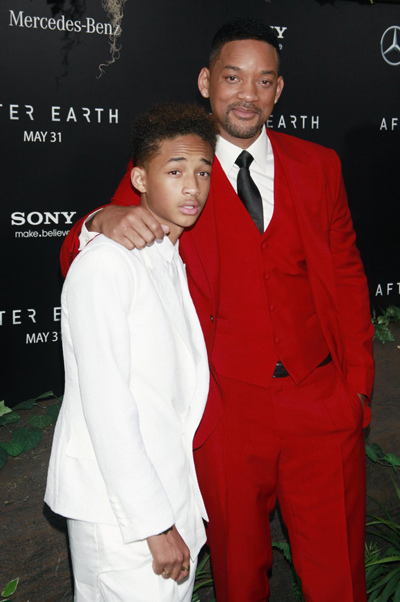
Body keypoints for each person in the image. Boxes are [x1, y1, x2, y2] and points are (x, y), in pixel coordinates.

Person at [60, 18, 375, 602]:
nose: (246, 95)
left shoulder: (319, 165)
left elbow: (350, 277)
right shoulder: (175, 163)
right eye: (233, 78)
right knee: (237, 576)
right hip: (226, 410)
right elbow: (82, 252)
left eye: (263, 81)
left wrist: (356, 388)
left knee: (339, 577)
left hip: (320, 401)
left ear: (278, 91)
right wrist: (96, 220)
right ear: (207, 82)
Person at [45, 102, 217, 602]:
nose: (192, 187)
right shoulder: (106, 267)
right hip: (122, 517)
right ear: (139, 179)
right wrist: (154, 523)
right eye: (176, 171)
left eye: (203, 172)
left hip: (167, 497)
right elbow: (107, 408)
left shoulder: (166, 257)